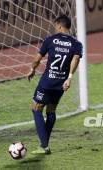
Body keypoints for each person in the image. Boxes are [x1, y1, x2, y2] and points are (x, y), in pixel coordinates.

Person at [27, 15, 83, 154]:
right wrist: (69, 78)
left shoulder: (50, 40)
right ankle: (44, 144)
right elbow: (76, 60)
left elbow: (37, 59)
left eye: (55, 25)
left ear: (59, 25)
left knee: (36, 109)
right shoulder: (76, 44)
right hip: (61, 83)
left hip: (47, 82)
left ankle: (44, 145)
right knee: (51, 110)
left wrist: (32, 69)